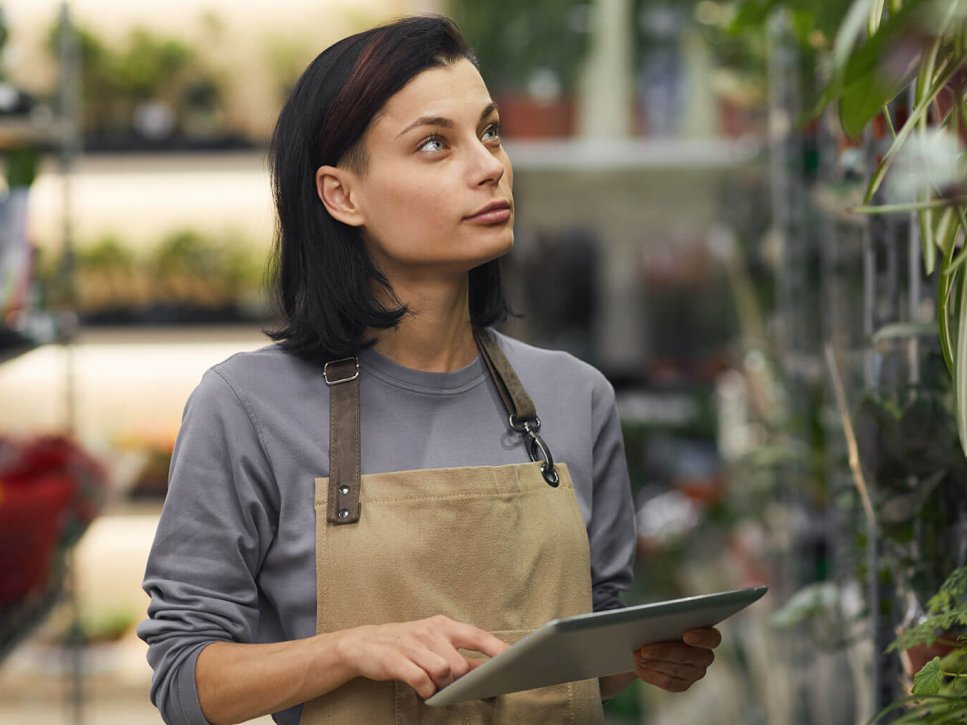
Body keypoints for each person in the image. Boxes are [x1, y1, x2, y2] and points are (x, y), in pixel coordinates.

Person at [138, 15, 722, 725]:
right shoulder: (246, 408)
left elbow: (588, 666)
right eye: (436, 144)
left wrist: (645, 657)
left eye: (492, 131)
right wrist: (349, 650)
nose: (489, 165)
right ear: (340, 194)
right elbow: (184, 681)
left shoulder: (575, 396)